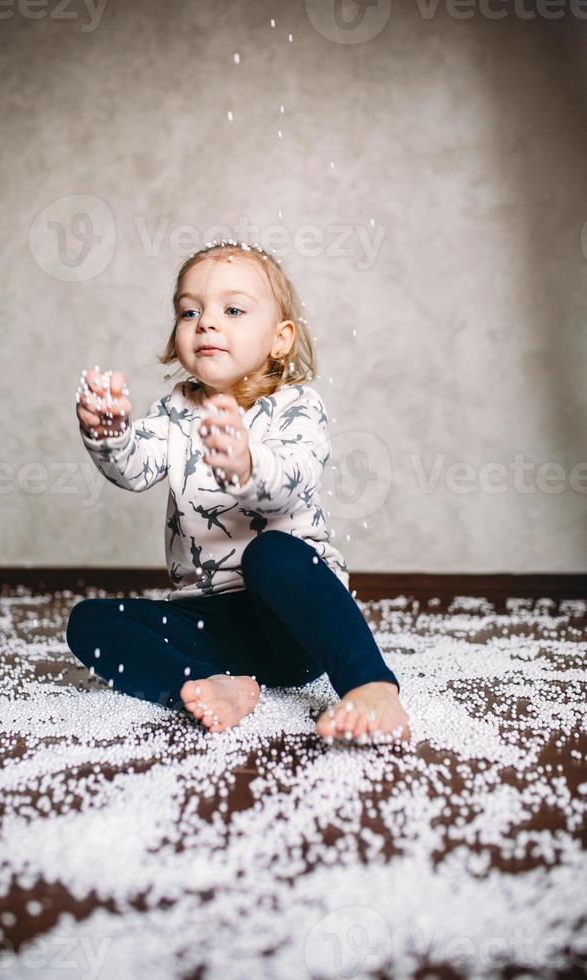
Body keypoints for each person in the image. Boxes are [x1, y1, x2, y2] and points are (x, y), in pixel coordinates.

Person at [66, 240, 411, 745]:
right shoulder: (176, 410)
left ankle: (370, 684)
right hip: (213, 625)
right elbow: (134, 470)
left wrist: (247, 465)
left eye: (232, 309)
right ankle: (205, 684)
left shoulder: (296, 407)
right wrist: (110, 434)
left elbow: (292, 480)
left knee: (272, 554)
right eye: (190, 310)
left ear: (279, 339)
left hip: (293, 621)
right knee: (90, 622)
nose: (206, 322)